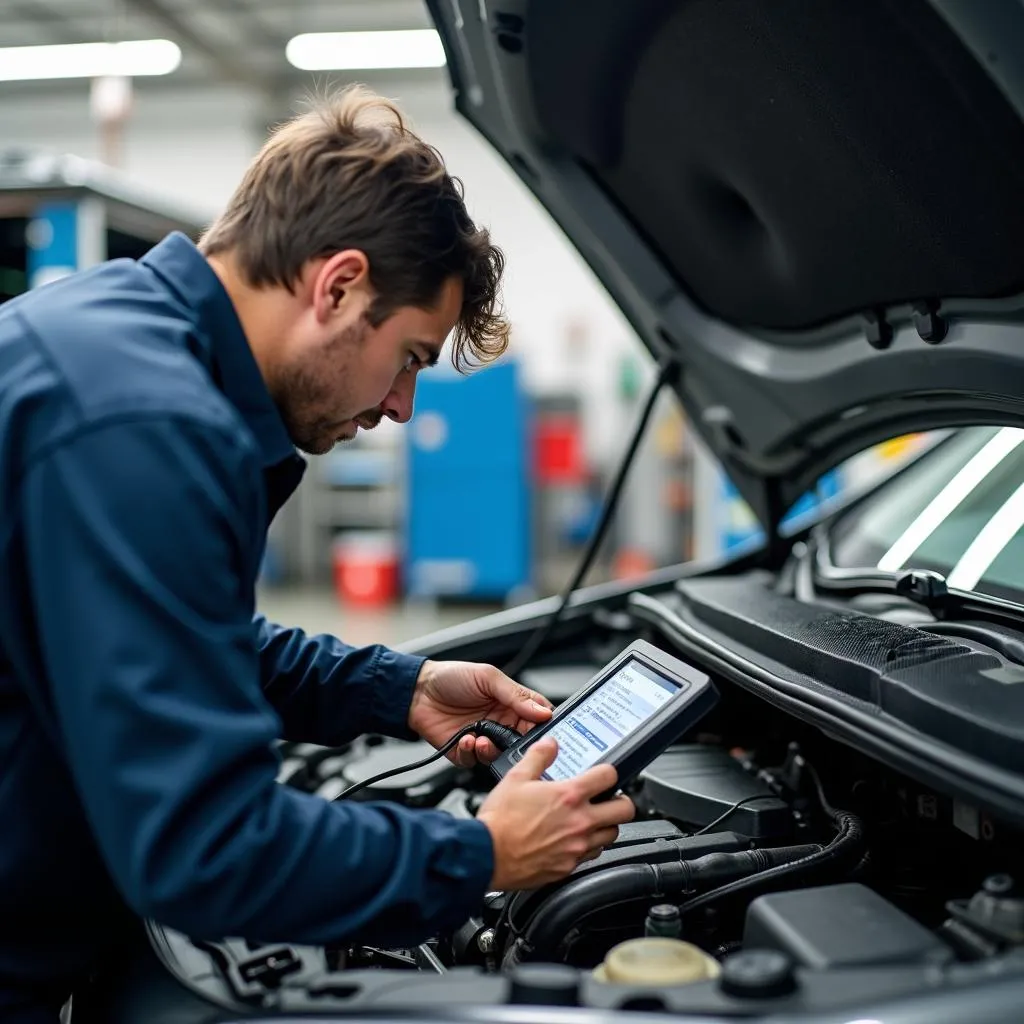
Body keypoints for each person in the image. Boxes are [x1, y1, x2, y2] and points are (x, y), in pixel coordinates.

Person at [0, 86, 635, 1021]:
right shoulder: (143, 428)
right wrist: (481, 855)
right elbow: (204, 848)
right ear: (337, 286)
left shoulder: (123, 343)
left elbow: (160, 640)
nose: (402, 408)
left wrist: (397, 688)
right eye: (412, 357)